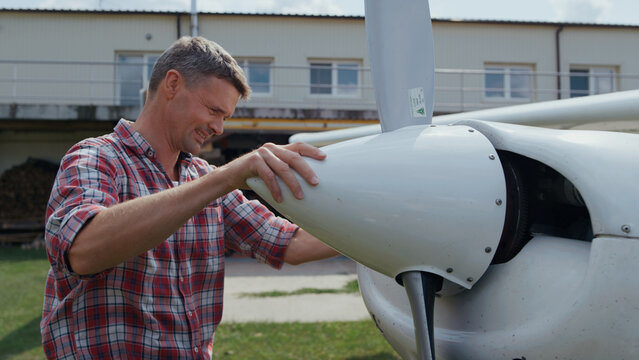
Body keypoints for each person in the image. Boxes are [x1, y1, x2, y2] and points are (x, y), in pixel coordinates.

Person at [41, 36, 339, 359]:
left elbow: (288, 244)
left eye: (225, 116)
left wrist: (386, 228)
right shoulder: (95, 157)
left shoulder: (206, 180)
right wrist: (226, 177)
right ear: (172, 84)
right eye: (213, 110)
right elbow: (83, 251)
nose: (219, 127)